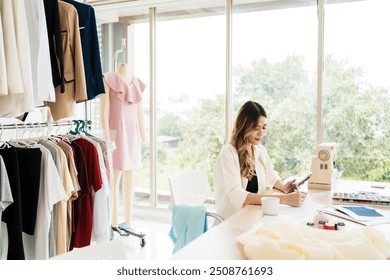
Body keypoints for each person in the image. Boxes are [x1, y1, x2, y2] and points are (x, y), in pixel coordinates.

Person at [213, 101, 307, 220]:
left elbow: (271, 177)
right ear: (244, 127)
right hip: (231, 220)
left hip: (253, 215)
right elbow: (237, 195)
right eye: (256, 128)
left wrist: (284, 187)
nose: (261, 133)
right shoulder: (228, 154)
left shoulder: (260, 150)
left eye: (264, 127)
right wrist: (284, 199)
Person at [100, 63, 146, 234]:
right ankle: (113, 221)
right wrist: (107, 137)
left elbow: (139, 112)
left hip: (132, 134)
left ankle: (128, 220)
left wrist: (143, 134)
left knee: (130, 177)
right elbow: (104, 111)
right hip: (116, 134)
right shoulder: (109, 79)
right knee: (115, 179)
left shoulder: (137, 83)